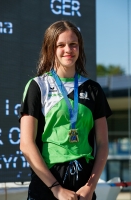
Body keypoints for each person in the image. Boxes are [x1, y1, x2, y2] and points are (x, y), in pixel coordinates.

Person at [19, 20, 112, 200]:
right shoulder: (37, 86)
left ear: (80, 48)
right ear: (50, 49)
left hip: (84, 186)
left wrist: (90, 188)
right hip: (47, 184)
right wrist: (56, 189)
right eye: (60, 45)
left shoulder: (93, 89)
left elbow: (103, 144)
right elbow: (26, 145)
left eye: (73, 44)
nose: (68, 50)